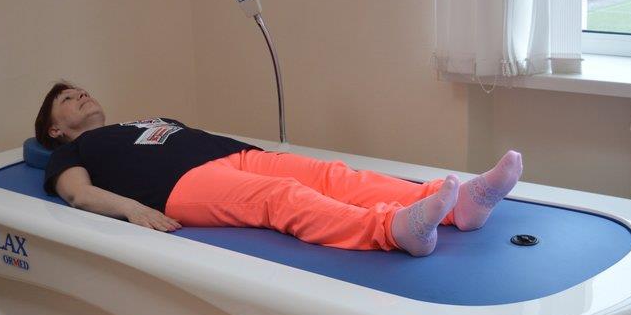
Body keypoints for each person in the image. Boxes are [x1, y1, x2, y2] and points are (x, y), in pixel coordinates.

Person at [36, 82, 523, 257]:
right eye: (68, 99)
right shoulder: (72, 152)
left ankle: (456, 204)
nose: (81, 95)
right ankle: (394, 230)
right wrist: (132, 209)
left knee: (333, 176)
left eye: (81, 90)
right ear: (55, 129)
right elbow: (78, 194)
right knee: (281, 199)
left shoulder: (142, 121)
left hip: (234, 153)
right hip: (180, 186)